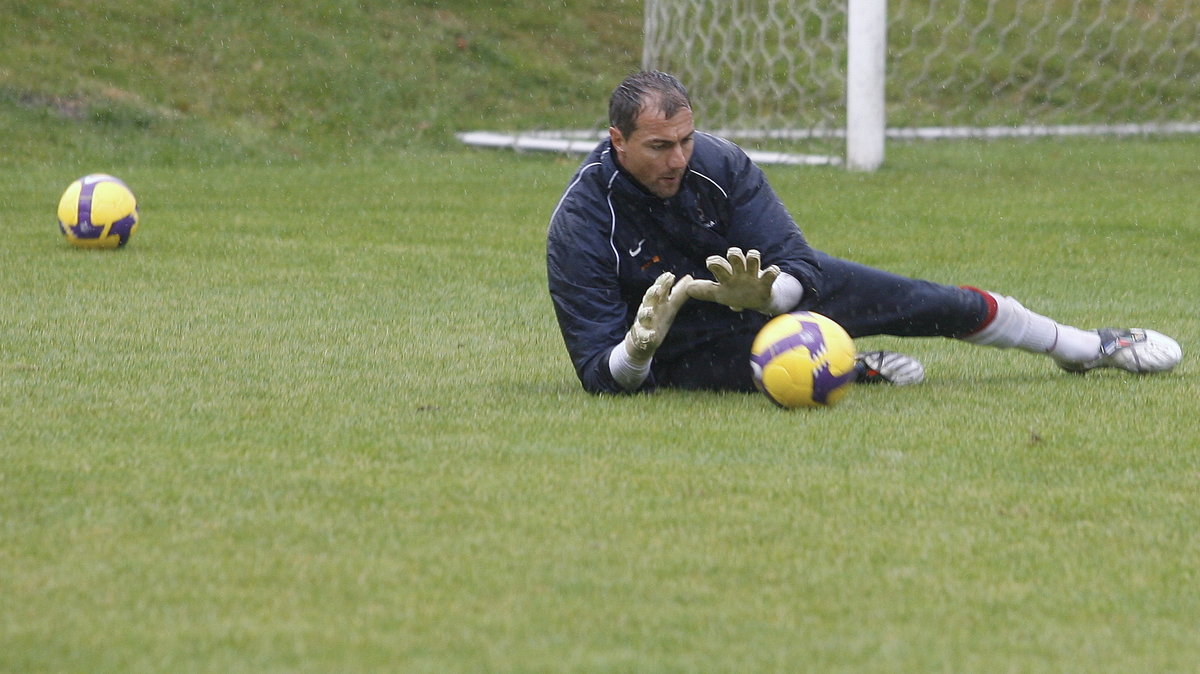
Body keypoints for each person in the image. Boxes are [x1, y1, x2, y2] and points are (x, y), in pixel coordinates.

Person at [546, 70, 1182, 395]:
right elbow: (599, 377)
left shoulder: (720, 164)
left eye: (685, 139)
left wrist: (767, 298)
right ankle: (850, 368)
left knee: (928, 301)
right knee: (729, 378)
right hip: (677, 347)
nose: (679, 158)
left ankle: (1085, 346)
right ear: (618, 141)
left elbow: (800, 263)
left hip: (768, 299)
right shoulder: (579, 224)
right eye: (659, 146)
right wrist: (636, 347)